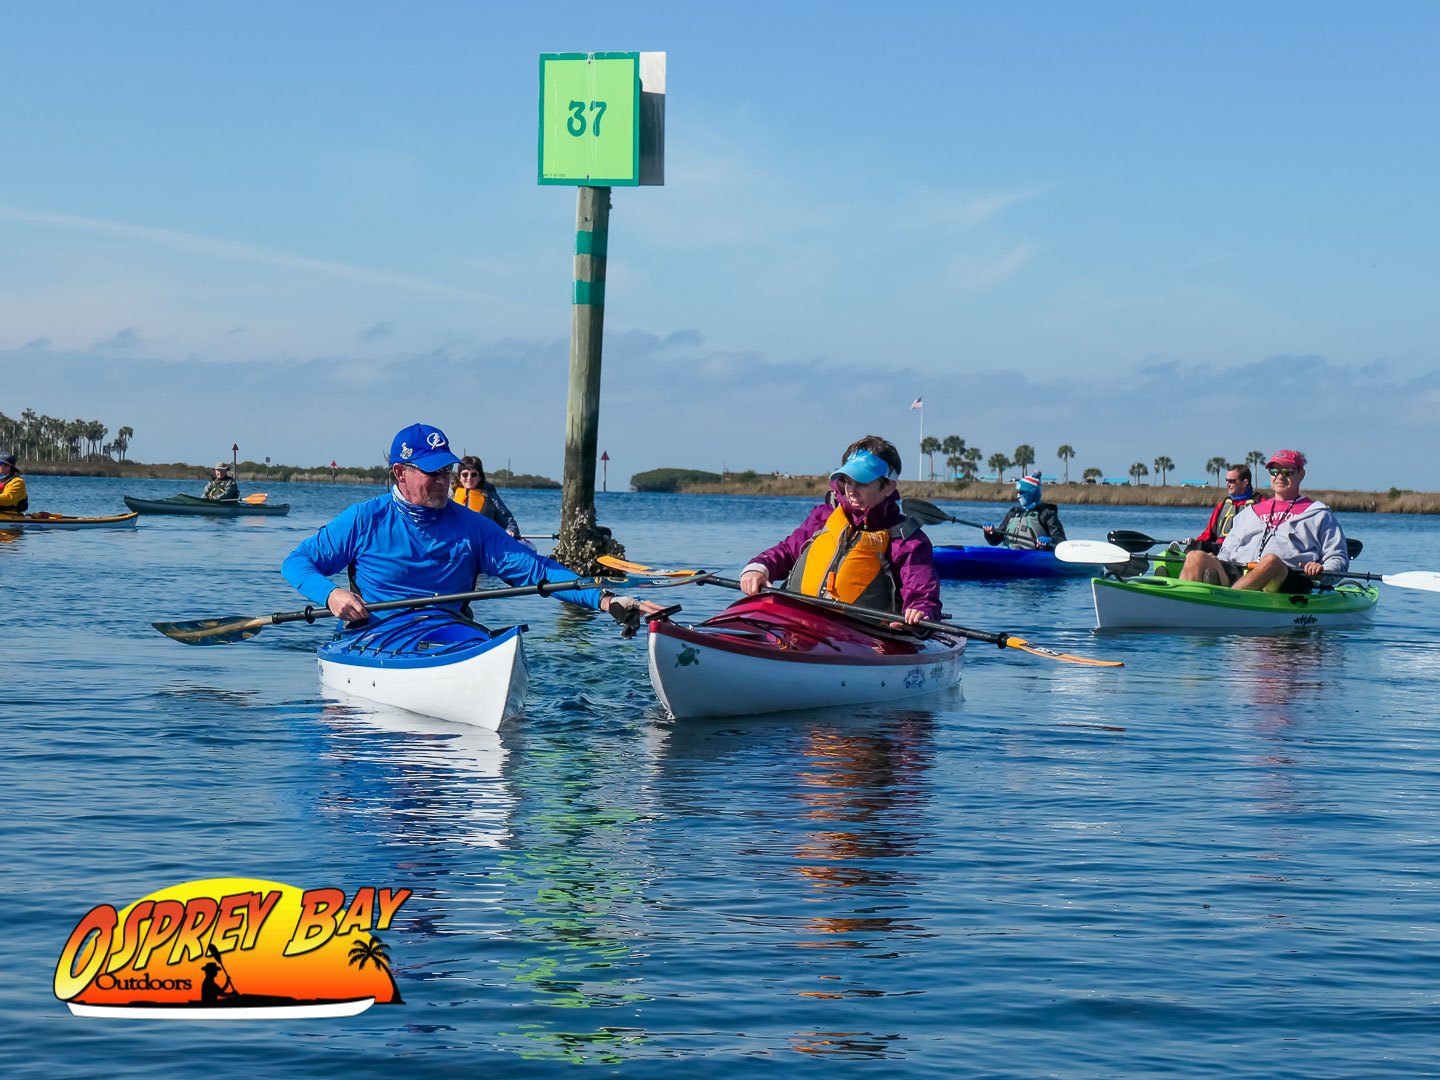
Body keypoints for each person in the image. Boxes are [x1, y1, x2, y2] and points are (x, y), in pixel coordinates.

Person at [282, 422, 652, 633]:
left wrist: (606, 599)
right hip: (375, 637)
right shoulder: (365, 519)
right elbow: (297, 562)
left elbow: (539, 571)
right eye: (432, 472)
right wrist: (331, 595)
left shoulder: (473, 527)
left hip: (451, 635)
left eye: (447, 470)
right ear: (400, 472)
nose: (444, 480)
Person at [739, 435, 941, 625]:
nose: (851, 490)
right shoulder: (823, 517)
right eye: (847, 481)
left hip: (863, 636)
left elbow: (922, 595)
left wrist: (920, 613)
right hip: (797, 623)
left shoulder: (908, 541)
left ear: (888, 487)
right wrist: (759, 568)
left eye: (862, 482)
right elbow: (787, 551)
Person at [1180, 449, 1349, 593]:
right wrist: (1214, 558)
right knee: (1195, 557)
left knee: (1270, 561)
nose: (1280, 477)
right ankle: (1184, 603)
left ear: (1301, 474)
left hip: (1286, 579)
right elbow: (1227, 552)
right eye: (1274, 472)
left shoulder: (1319, 514)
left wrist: (1323, 570)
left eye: (1288, 472)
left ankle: (1230, 601)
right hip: (1241, 572)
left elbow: (1338, 558)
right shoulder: (1250, 512)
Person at [1183, 463, 1259, 554]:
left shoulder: (1260, 503)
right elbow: (1208, 533)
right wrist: (1195, 542)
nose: (1227, 485)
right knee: (1198, 546)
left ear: (1245, 483)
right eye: (1227, 480)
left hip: (1245, 549)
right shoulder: (1223, 505)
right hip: (1220, 547)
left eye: (1232, 481)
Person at [982, 475, 1067, 550]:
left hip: (1033, 556)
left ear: (1032, 493)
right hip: (1008, 553)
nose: (1018, 495)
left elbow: (1060, 539)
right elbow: (995, 540)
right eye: (1017, 492)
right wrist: (989, 533)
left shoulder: (1046, 513)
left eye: (1022, 492)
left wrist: (1050, 541)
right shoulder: (1013, 512)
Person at [451, 456, 522, 538]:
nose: (469, 478)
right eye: (465, 474)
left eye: (474, 474)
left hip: (484, 540)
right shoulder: (450, 496)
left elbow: (507, 520)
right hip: (458, 540)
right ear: (459, 477)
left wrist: (511, 530)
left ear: (479, 477)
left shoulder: (490, 495)